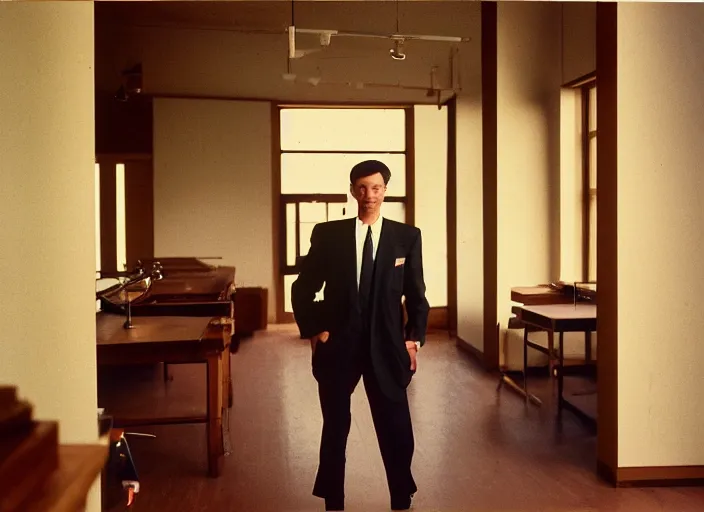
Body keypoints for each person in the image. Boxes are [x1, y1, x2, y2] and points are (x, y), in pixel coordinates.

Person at [291, 159, 429, 511]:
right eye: (363, 187)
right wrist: (315, 330)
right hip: (339, 345)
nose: (370, 195)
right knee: (335, 429)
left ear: (386, 191)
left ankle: (402, 495)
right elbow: (304, 287)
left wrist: (413, 340)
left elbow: (416, 295)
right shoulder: (329, 234)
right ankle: (332, 501)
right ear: (353, 190)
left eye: (377, 187)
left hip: (387, 347)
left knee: (396, 427)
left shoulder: (406, 237)